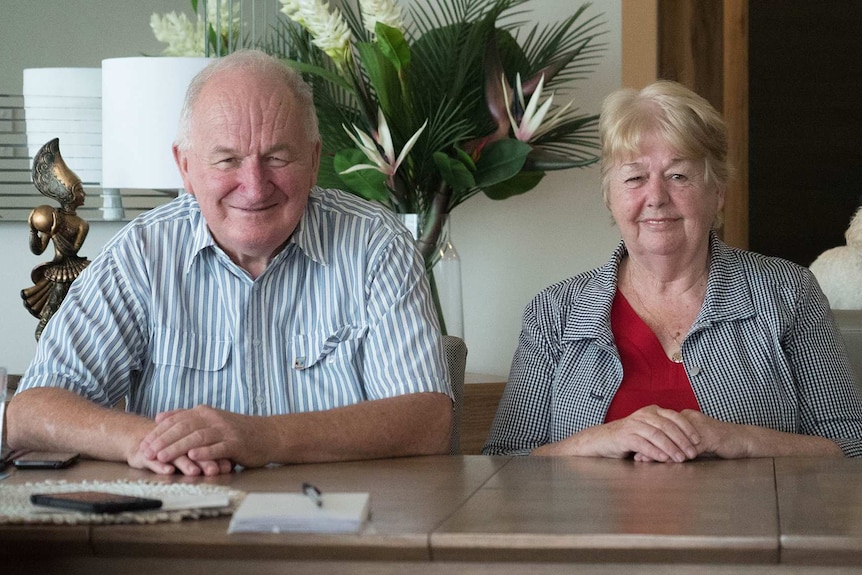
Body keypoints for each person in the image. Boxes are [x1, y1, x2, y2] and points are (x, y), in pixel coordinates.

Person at [8, 50, 453, 476]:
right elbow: (29, 413)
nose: (255, 187)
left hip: (345, 534)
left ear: (315, 160)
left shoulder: (376, 244)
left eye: (277, 157)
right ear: (185, 166)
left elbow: (427, 420)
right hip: (183, 532)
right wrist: (147, 442)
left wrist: (263, 437)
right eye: (227, 160)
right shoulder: (143, 253)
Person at [483, 80, 862, 461]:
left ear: (718, 192)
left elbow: (852, 447)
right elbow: (502, 462)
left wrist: (739, 439)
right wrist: (598, 441)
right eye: (634, 178)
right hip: (592, 523)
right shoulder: (554, 312)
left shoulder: (788, 292)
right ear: (609, 197)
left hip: (746, 521)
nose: (657, 197)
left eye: (678, 175)